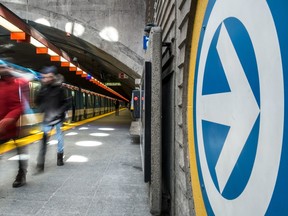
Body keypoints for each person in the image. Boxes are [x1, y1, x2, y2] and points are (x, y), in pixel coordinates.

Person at [34, 66, 70, 174]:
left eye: (49, 77)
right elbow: (37, 101)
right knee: (44, 141)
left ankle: (60, 158)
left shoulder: (60, 89)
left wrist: (59, 112)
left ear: (53, 77)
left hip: (58, 118)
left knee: (59, 137)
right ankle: (40, 164)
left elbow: (66, 103)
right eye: (45, 77)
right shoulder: (43, 88)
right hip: (47, 118)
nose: (47, 79)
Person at [0, 64, 29, 188]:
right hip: (1, 126)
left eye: (3, 67)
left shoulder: (19, 83)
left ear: (9, 68)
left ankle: (21, 174)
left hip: (16, 125)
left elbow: (22, 105)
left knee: (20, 151)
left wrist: (9, 119)